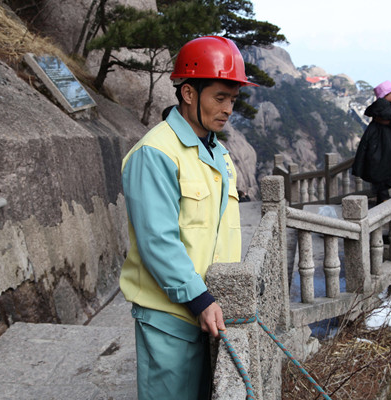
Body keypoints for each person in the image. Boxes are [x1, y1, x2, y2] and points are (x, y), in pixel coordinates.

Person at [119, 36, 257, 400]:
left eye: (233, 99)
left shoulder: (218, 152)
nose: (228, 109)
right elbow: (157, 241)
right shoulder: (155, 153)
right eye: (220, 97)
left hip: (208, 311)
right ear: (189, 93)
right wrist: (199, 299)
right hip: (172, 318)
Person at [352, 98, 391, 204]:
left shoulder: (373, 128)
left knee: (381, 188)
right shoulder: (390, 128)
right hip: (387, 162)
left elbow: (364, 148)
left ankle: (384, 205)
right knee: (383, 188)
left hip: (376, 162)